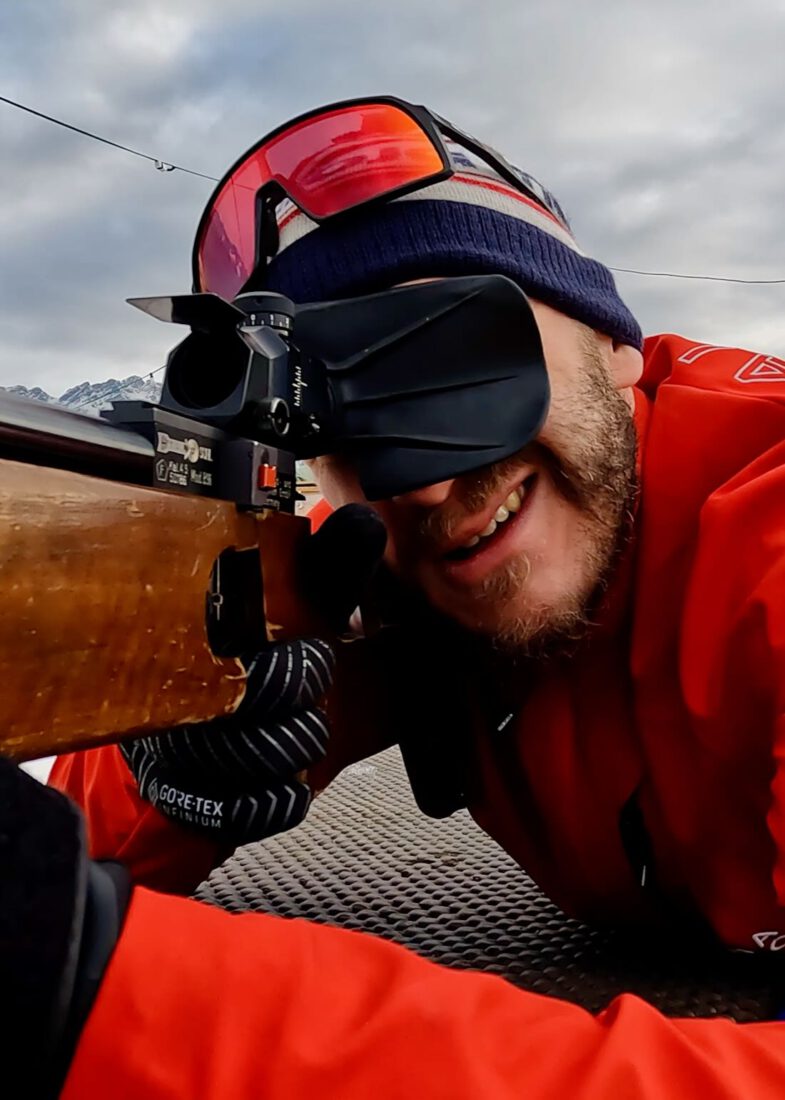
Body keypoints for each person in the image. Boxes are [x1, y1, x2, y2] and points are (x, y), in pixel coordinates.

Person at [9, 95, 785, 1097]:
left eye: (458, 360)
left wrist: (98, 997)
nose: (417, 482)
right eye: (344, 418)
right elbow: (76, 850)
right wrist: (182, 767)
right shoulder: (389, 572)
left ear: (610, 340)